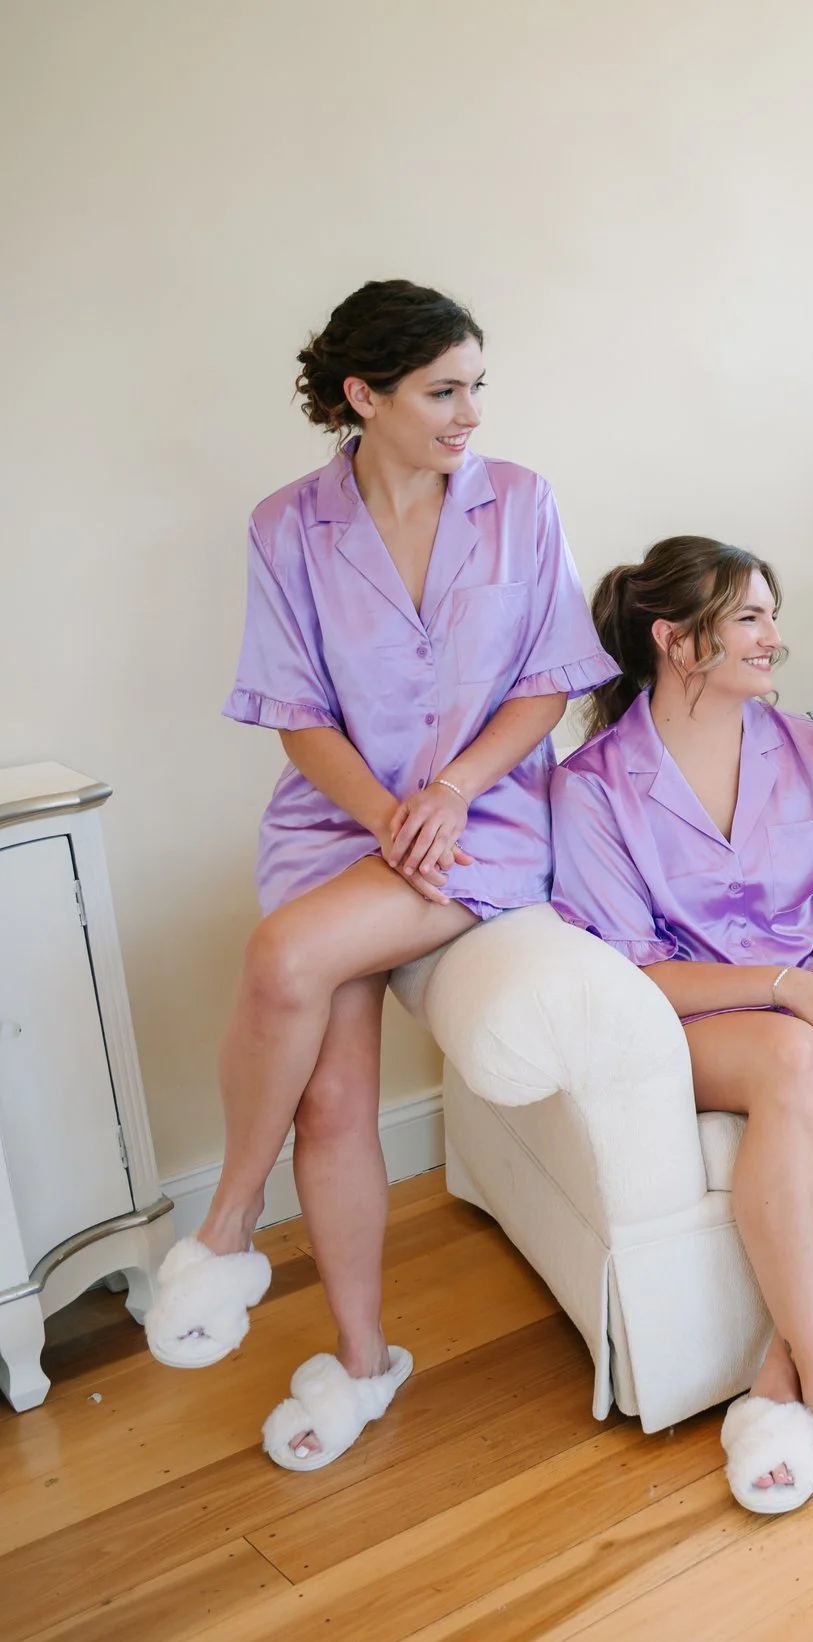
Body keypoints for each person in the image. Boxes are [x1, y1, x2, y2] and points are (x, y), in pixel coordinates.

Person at [148, 281, 614, 1472]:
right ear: (363, 397)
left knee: (283, 951)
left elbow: (550, 680)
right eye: (441, 391)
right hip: (333, 823)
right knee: (336, 1101)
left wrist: (446, 793)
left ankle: (228, 1225)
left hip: (486, 820)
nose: (469, 414)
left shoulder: (521, 505)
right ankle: (362, 1363)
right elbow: (294, 712)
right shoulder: (285, 525)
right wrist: (385, 812)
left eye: (475, 387)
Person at [552, 536, 813, 1520]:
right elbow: (633, 968)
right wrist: (791, 990)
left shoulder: (810, 750)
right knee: (789, 1052)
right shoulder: (595, 785)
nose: (776, 639)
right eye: (750, 619)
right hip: (694, 1017)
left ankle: (780, 1373)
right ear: (676, 641)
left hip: (811, 999)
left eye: (770, 616)